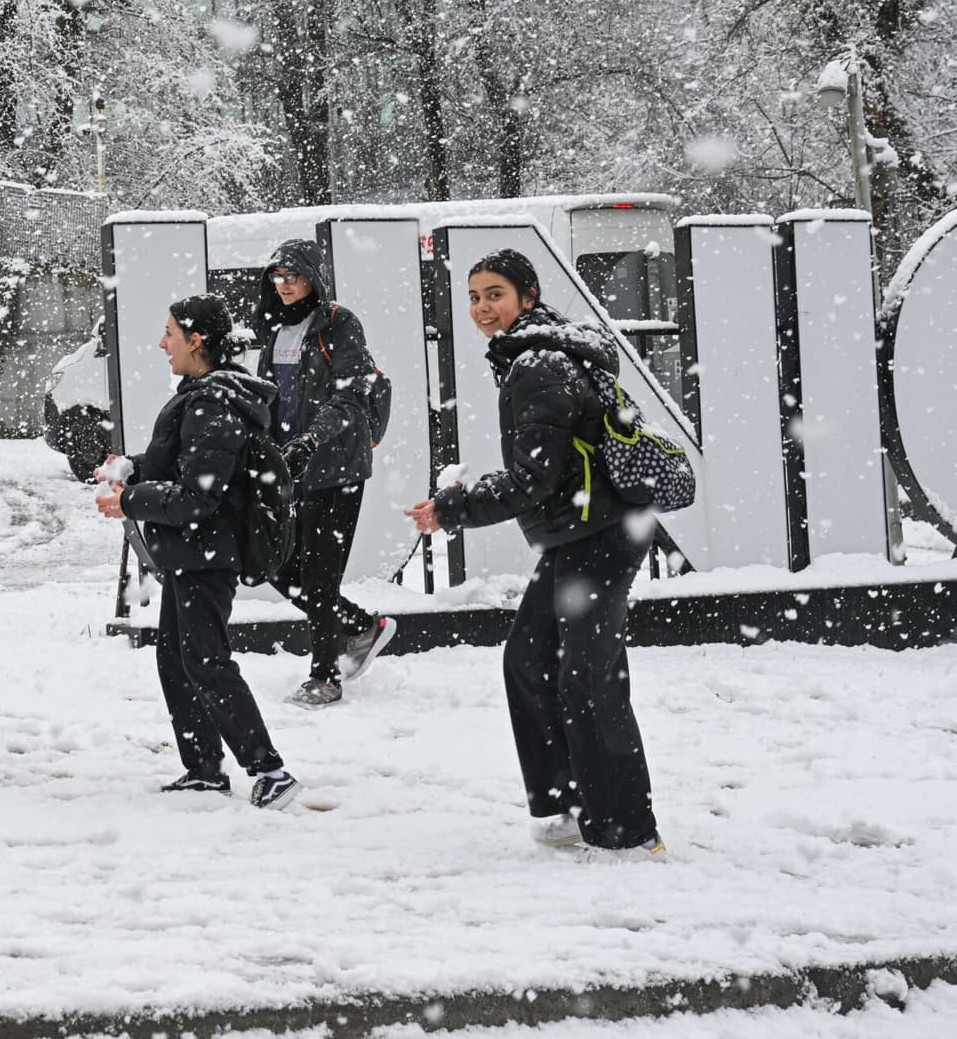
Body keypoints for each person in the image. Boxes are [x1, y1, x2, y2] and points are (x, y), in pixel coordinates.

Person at [405, 249, 664, 857]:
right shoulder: (541, 354)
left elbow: (535, 478)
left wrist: (453, 508)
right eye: (473, 297)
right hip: (585, 532)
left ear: (527, 295)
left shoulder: (539, 365)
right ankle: (568, 805)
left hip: (597, 535)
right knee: (530, 661)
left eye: (494, 294)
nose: (482, 308)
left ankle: (627, 830)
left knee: (587, 680)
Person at [95, 294, 300, 810]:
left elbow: (198, 497)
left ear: (197, 341)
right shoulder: (203, 395)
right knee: (175, 658)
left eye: (170, 333)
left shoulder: (213, 401)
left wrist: (129, 500)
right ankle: (204, 767)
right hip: (191, 556)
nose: (162, 343)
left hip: (206, 555)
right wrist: (132, 468)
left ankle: (270, 770)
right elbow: (184, 464)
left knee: (207, 662)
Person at [254, 239, 397, 708]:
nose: (284, 285)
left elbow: (351, 396)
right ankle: (359, 625)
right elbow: (268, 399)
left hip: (337, 468)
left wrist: (312, 440)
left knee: (319, 576)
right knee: (274, 564)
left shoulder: (338, 323)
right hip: (289, 467)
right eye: (277, 276)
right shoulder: (276, 330)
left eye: (293, 276)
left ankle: (326, 676)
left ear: (315, 277)